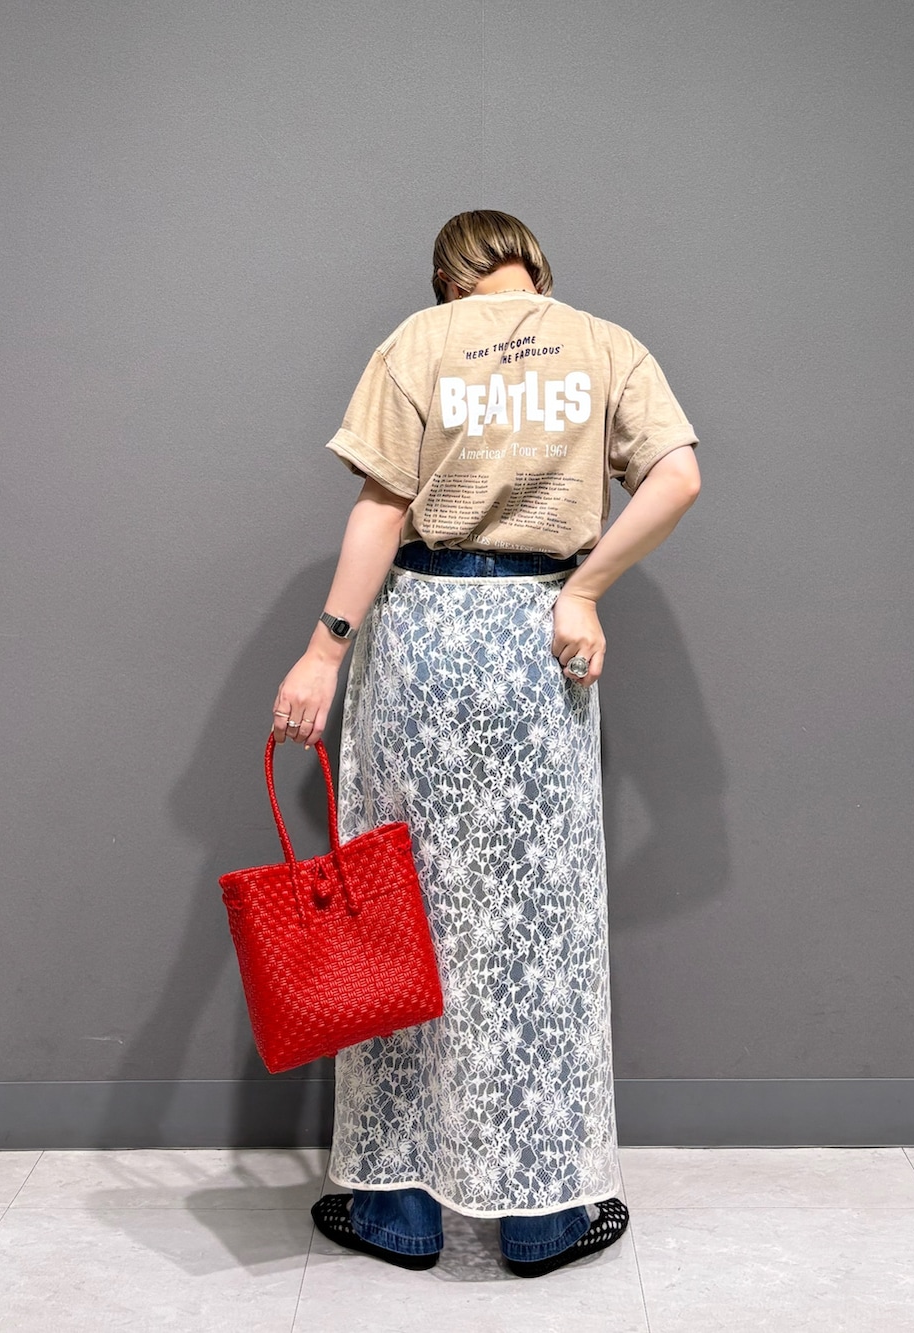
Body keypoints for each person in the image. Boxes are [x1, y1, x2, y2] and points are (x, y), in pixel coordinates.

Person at [272, 210, 701, 1277]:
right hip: (538, 645)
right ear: (534, 268)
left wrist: (323, 652)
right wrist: (585, 590)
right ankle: (543, 1216)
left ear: (446, 279)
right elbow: (678, 476)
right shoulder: (604, 344)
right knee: (533, 927)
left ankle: (397, 1210)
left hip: (421, 638)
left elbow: (383, 509)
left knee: (397, 905)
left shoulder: (418, 342)